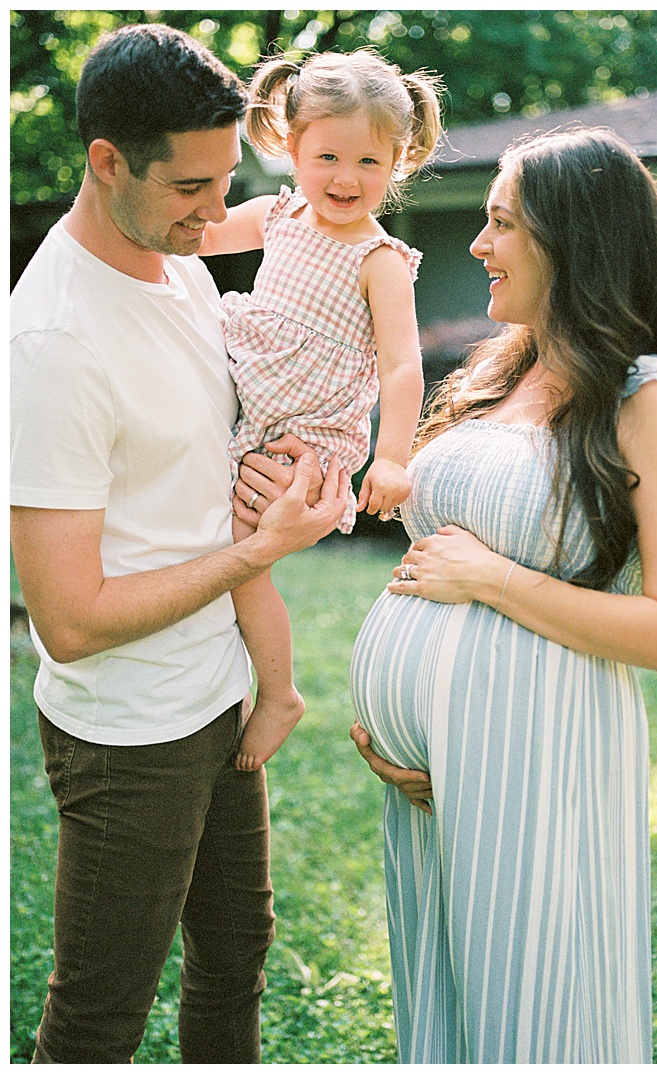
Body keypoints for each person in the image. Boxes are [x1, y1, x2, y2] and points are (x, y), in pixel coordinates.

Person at [316, 128, 657, 1062]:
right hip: (448, 778)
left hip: (545, 751)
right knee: (451, 1005)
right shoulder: (505, 369)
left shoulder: (650, 394)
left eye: (501, 224)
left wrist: (492, 581)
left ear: (570, 239)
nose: (477, 245)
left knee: (533, 1011)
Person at [9, 23, 349, 1063]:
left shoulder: (181, 266)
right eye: (190, 189)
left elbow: (196, 456)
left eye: (225, 182)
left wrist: (276, 471)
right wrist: (256, 555)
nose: (215, 214)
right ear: (108, 162)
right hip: (127, 734)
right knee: (101, 1016)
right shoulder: (53, 341)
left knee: (237, 956)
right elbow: (68, 623)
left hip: (216, 692)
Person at [198, 49, 441, 770]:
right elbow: (198, 236)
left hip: (305, 432)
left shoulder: (380, 260)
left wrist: (392, 456)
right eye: (328, 154)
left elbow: (403, 366)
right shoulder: (277, 215)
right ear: (291, 143)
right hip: (251, 409)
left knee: (245, 558)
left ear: (398, 161)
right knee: (218, 543)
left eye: (369, 162)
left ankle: (278, 693)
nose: (345, 178)